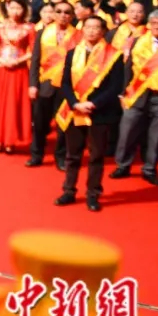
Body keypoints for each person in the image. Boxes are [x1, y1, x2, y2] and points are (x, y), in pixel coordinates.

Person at [55, 16, 124, 212]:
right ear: (83, 29)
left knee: (96, 155)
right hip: (75, 110)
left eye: (96, 28)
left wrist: (93, 103)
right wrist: (75, 103)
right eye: (88, 27)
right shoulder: (72, 54)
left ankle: (93, 193)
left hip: (99, 112)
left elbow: (115, 86)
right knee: (73, 154)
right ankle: (69, 190)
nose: (92, 31)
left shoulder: (114, 55)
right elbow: (65, 83)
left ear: (103, 31)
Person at [109, 9, 158, 186]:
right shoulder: (137, 42)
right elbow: (127, 68)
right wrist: (123, 91)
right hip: (136, 94)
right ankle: (123, 165)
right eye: (154, 23)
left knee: (157, 136)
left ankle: (150, 168)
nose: (157, 27)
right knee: (127, 131)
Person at [27, 0, 79, 169]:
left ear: (72, 16)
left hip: (67, 86)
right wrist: (33, 84)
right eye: (59, 11)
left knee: (63, 124)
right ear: (54, 14)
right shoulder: (42, 33)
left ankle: (61, 157)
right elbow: (35, 60)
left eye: (67, 12)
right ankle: (36, 155)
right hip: (45, 84)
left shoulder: (78, 35)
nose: (63, 15)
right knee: (39, 123)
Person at [0, 0, 34, 153]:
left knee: (14, 103)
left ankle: (10, 140)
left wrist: (18, 61)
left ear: (24, 10)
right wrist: (0, 60)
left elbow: (33, 50)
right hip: (0, 68)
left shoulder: (29, 28)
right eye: (12, 8)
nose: (15, 12)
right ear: (7, 9)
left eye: (19, 8)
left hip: (19, 69)